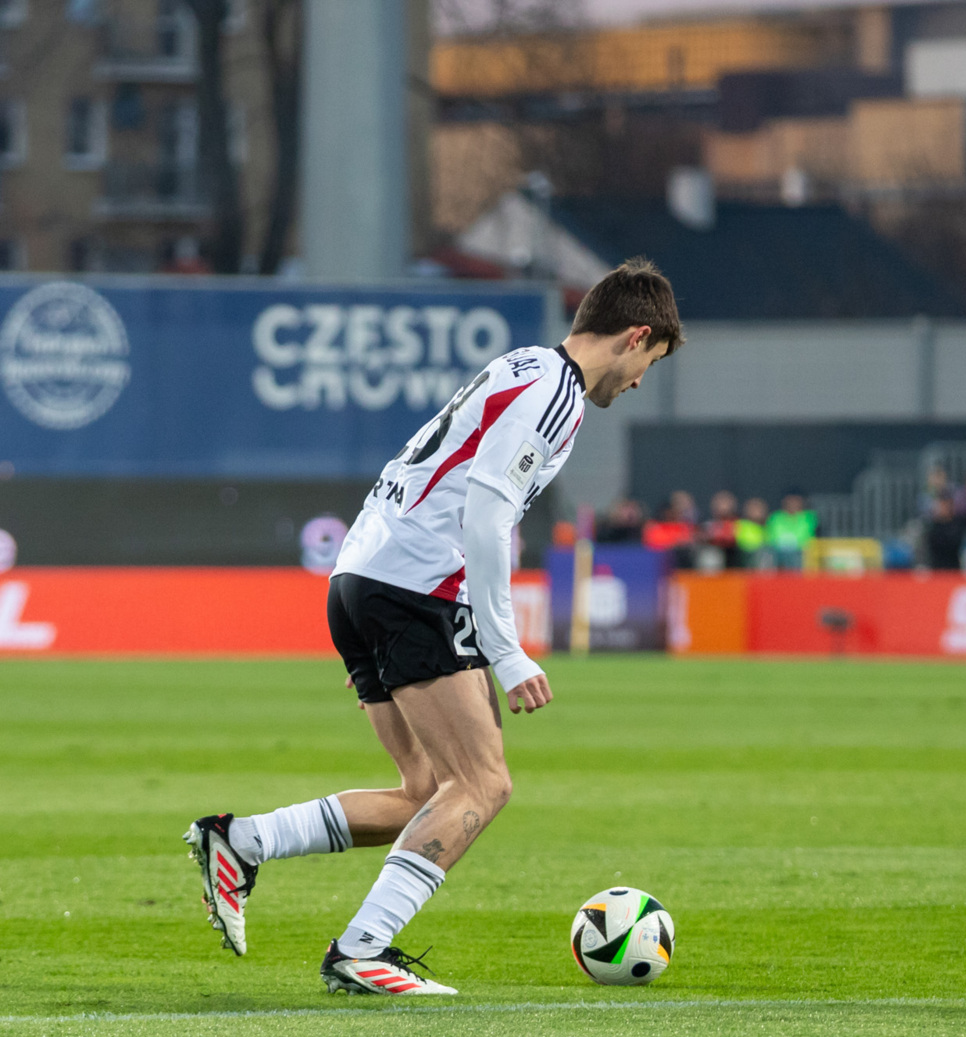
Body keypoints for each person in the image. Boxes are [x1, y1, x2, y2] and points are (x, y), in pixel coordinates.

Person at [181, 259, 684, 995]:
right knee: (483, 781)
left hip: (358, 573)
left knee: (427, 787)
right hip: (414, 583)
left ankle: (241, 839)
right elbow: (486, 511)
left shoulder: (521, 364)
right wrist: (506, 650)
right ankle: (361, 948)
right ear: (636, 336)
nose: (639, 382)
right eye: (650, 364)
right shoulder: (559, 394)